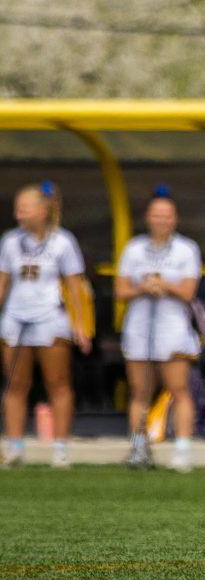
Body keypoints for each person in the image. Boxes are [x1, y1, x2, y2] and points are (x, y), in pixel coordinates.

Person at [0, 182, 92, 468]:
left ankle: (60, 448)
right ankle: (15, 447)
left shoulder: (63, 241)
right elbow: (2, 282)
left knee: (58, 384)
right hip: (15, 318)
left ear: (42, 210)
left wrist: (80, 325)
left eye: (24, 208)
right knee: (15, 384)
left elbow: (75, 287)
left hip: (51, 319)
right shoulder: (9, 242)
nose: (19, 214)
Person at [115, 187, 202, 472]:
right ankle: (140, 447)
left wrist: (164, 285)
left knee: (179, 388)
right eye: (156, 215)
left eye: (167, 215)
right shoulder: (134, 248)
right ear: (147, 217)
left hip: (173, 326)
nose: (161, 220)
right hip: (140, 325)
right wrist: (143, 287)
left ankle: (183, 450)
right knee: (140, 390)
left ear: (175, 219)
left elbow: (189, 291)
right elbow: (121, 290)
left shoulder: (187, 249)